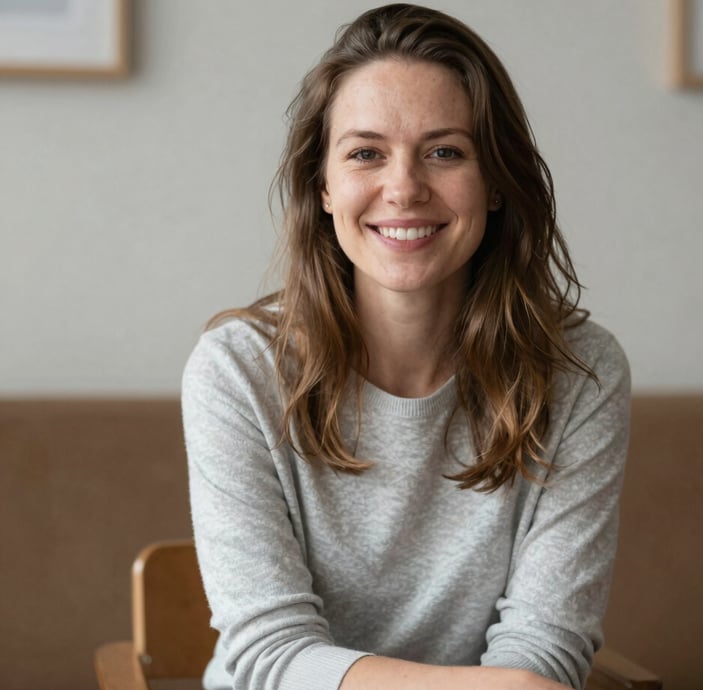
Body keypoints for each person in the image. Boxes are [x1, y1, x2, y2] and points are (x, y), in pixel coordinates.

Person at [181, 4, 631, 690]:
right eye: (366, 153)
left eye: (445, 152)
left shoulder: (581, 373)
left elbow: (546, 648)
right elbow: (273, 655)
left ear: (497, 181)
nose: (404, 189)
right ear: (323, 187)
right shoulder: (238, 369)